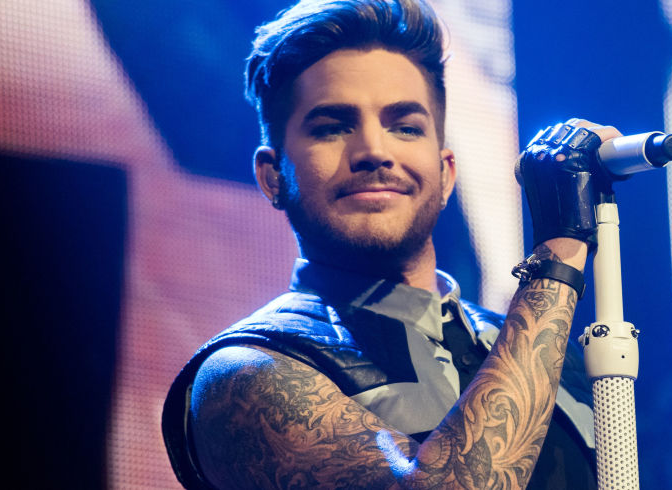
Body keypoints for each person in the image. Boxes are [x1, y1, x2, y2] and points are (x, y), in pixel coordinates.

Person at [161, 0, 622, 487]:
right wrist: (558, 258)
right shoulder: (248, 373)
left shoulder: (559, 359)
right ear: (273, 176)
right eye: (332, 128)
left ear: (445, 173)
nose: (375, 151)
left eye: (405, 127)